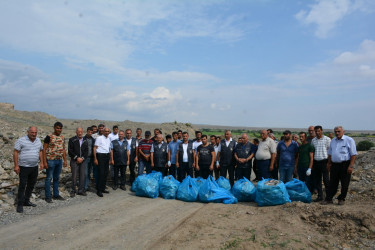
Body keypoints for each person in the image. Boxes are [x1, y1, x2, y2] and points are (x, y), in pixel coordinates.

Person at [323, 126, 357, 205]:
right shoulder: (333, 141)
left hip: (345, 165)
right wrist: (328, 163)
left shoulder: (349, 140)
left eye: (338, 131)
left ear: (343, 131)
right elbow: (330, 153)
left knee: (344, 183)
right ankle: (329, 199)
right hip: (334, 165)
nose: (337, 133)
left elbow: (353, 154)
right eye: (336, 131)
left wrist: (351, 166)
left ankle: (341, 199)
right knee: (332, 183)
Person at [13, 126, 44, 213]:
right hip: (24, 167)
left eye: (35, 133)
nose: (34, 134)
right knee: (22, 185)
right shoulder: (21, 140)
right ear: (28, 132)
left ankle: (26, 200)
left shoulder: (38, 140)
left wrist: (41, 162)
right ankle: (20, 204)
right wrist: (16, 165)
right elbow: (16, 152)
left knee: (31, 184)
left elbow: (41, 151)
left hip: (34, 167)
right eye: (32, 132)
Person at [43, 121, 67, 203]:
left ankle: (56, 195)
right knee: (49, 178)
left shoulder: (62, 137)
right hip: (50, 160)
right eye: (57, 128)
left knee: (56, 178)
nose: (59, 130)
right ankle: (48, 196)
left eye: (60, 128)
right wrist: (44, 162)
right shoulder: (49, 137)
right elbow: (44, 149)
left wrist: (65, 160)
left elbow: (63, 149)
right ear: (54, 128)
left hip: (59, 160)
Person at [311, 125, 331, 202]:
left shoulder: (327, 139)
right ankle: (320, 196)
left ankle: (328, 197)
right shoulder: (313, 140)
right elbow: (313, 152)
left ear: (322, 131)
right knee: (318, 180)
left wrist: (329, 163)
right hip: (316, 162)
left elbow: (330, 152)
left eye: (319, 131)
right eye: (316, 131)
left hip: (324, 162)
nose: (317, 132)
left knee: (326, 180)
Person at [68, 127, 88, 197]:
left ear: (83, 132)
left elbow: (86, 151)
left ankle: (80, 190)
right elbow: (70, 151)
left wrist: (82, 158)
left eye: (81, 132)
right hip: (74, 161)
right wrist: (77, 158)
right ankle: (73, 190)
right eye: (78, 132)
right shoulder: (72, 140)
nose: (80, 133)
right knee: (74, 176)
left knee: (82, 176)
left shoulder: (85, 140)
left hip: (82, 161)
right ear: (76, 132)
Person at [93, 127, 111, 197]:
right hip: (100, 156)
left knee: (106, 173)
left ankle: (103, 188)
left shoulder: (109, 139)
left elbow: (108, 148)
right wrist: (95, 158)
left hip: (107, 156)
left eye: (108, 131)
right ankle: (99, 190)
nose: (106, 132)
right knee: (101, 173)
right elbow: (95, 148)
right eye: (105, 131)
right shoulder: (99, 138)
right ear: (103, 132)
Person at [83, 127, 95, 191]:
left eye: (91, 132)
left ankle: (87, 186)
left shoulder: (93, 140)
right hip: (85, 158)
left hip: (91, 158)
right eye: (89, 132)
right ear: (87, 131)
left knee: (89, 172)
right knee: (85, 173)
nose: (90, 133)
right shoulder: (83, 139)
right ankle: (84, 187)